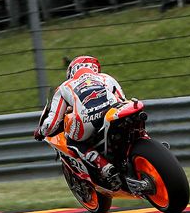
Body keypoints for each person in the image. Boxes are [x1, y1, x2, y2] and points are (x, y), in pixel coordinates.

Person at [34, 56, 127, 187]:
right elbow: (122, 99)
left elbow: (53, 122)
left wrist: (41, 131)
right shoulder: (106, 77)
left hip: (87, 119)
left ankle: (104, 165)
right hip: (113, 113)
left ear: (72, 70)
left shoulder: (65, 86)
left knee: (72, 142)